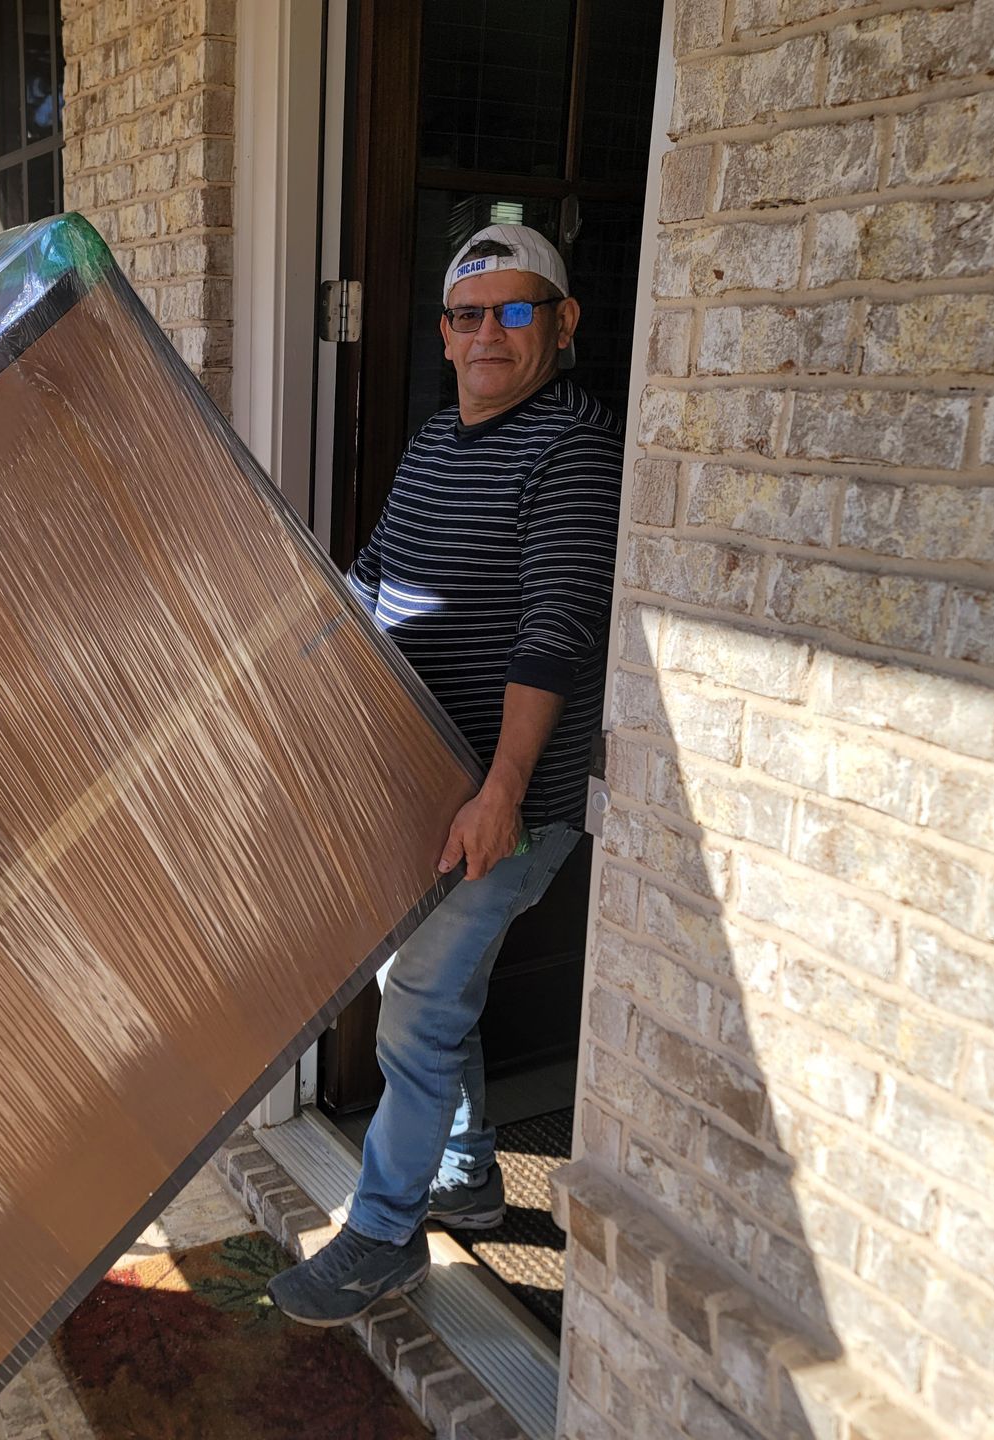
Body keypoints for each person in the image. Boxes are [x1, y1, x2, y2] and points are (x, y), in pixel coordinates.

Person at [267, 224, 623, 1326]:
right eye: (469, 315)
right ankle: (466, 1178)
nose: (488, 336)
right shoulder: (436, 445)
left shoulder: (573, 450)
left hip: (506, 798)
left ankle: (381, 1239)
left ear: (562, 326)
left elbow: (554, 630)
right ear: (443, 333)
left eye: (516, 312)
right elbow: (372, 582)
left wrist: (503, 792)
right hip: (422, 781)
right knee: (416, 992)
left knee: (417, 1013)